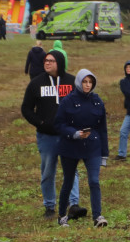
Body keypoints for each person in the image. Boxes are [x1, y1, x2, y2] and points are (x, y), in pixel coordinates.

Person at [20, 49, 85, 220]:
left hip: (68, 135)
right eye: (45, 61)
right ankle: (49, 206)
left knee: (71, 170)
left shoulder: (72, 82)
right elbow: (26, 108)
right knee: (48, 171)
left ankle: (73, 205)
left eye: (51, 61)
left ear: (60, 63)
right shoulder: (36, 83)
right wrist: (40, 123)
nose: (47, 63)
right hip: (46, 136)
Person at [53, 69, 109, 227]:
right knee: (68, 181)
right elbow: (59, 124)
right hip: (70, 147)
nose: (87, 85)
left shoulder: (97, 101)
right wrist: (74, 134)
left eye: (90, 82)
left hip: (92, 147)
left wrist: (104, 154)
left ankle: (98, 217)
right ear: (78, 82)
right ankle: (62, 215)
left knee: (94, 181)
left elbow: (102, 128)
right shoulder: (68, 101)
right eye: (85, 82)